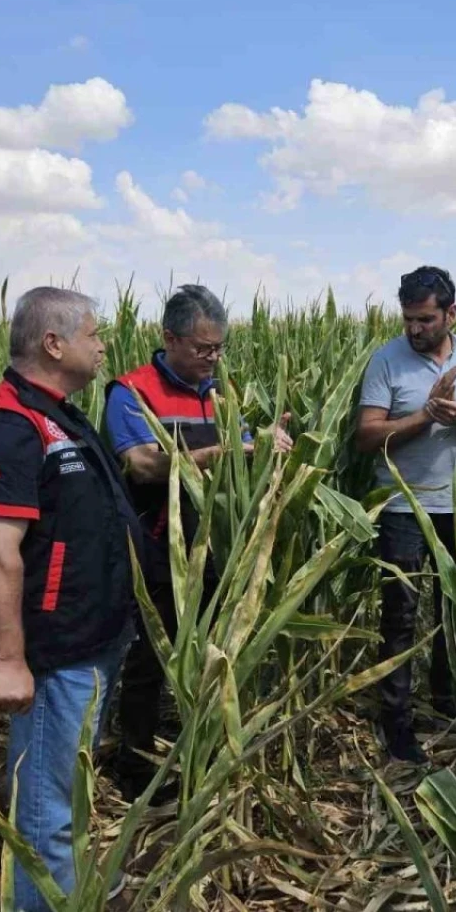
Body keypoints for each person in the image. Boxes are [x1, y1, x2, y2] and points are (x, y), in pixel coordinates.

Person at [0, 287, 141, 910]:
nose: (103, 343)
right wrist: (8, 662)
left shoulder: (58, 414)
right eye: (93, 333)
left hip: (90, 641)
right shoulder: (9, 428)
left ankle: (74, 893)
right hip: (53, 654)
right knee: (44, 809)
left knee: (68, 790)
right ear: (53, 343)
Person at [104, 284, 291, 801]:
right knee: (150, 657)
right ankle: (135, 763)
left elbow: (242, 446)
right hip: (157, 548)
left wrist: (266, 442)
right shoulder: (132, 391)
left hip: (215, 548)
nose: (212, 358)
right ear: (169, 338)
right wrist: (218, 452)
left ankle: (201, 749)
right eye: (203, 348)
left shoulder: (217, 392)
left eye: (219, 348)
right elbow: (139, 464)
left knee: (213, 652)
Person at [354, 266, 456, 764]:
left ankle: (445, 702)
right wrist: (424, 416)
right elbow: (367, 436)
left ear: (451, 313)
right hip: (401, 507)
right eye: (408, 319)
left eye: (426, 319)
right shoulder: (386, 361)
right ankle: (396, 724)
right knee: (400, 614)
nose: (414, 329)